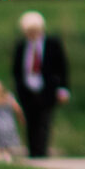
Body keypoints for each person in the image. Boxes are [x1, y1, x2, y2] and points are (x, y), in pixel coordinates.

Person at [12, 11, 70, 157]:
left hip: (47, 89)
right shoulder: (21, 47)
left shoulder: (52, 45)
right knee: (30, 121)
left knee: (44, 121)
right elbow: (16, 70)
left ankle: (41, 152)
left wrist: (63, 89)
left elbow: (62, 68)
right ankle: (32, 152)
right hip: (27, 89)